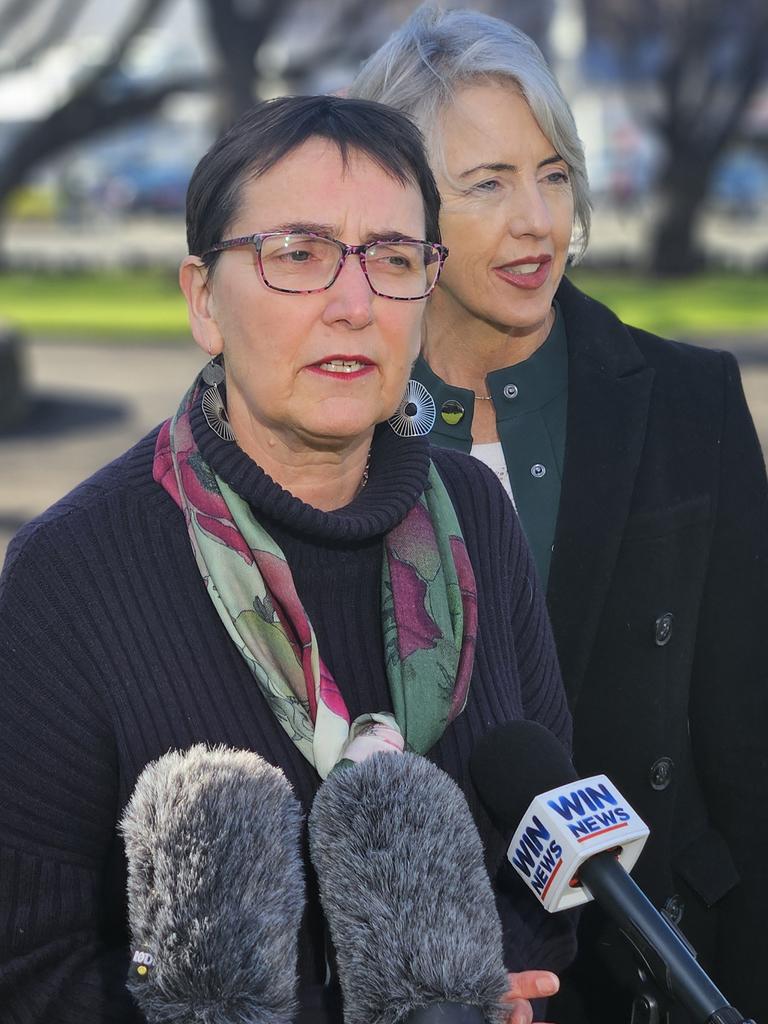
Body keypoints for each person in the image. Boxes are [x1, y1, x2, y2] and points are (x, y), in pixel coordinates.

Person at [0, 95, 575, 1023]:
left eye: (393, 259)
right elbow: (28, 973)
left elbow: (542, 866)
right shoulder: (70, 572)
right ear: (204, 300)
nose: (354, 305)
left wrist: (497, 990)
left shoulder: (477, 518)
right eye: (299, 255)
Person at [350, 9, 768, 1024]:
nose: (537, 220)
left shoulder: (690, 400)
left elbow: (749, 743)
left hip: (663, 968)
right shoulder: (329, 423)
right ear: (399, 207)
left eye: (553, 172)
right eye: (488, 183)